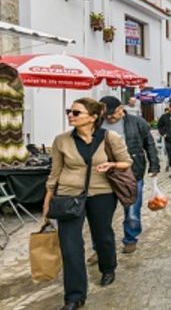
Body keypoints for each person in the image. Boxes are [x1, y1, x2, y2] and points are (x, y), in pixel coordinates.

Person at [44, 98, 133, 310]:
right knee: (70, 244)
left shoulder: (110, 137)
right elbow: (54, 173)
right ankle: (74, 296)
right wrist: (47, 201)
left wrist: (112, 164)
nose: (70, 115)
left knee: (102, 234)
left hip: (101, 193)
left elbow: (127, 162)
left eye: (76, 112)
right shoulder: (61, 140)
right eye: (69, 111)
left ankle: (108, 267)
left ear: (93, 117)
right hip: (68, 195)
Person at [99, 96, 160, 254]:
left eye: (112, 113)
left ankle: (130, 239)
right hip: (104, 174)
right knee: (101, 214)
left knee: (132, 209)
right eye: (106, 114)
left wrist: (154, 165)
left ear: (121, 108)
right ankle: (100, 247)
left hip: (132, 172)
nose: (109, 117)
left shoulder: (137, 122)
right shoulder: (97, 123)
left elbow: (150, 144)